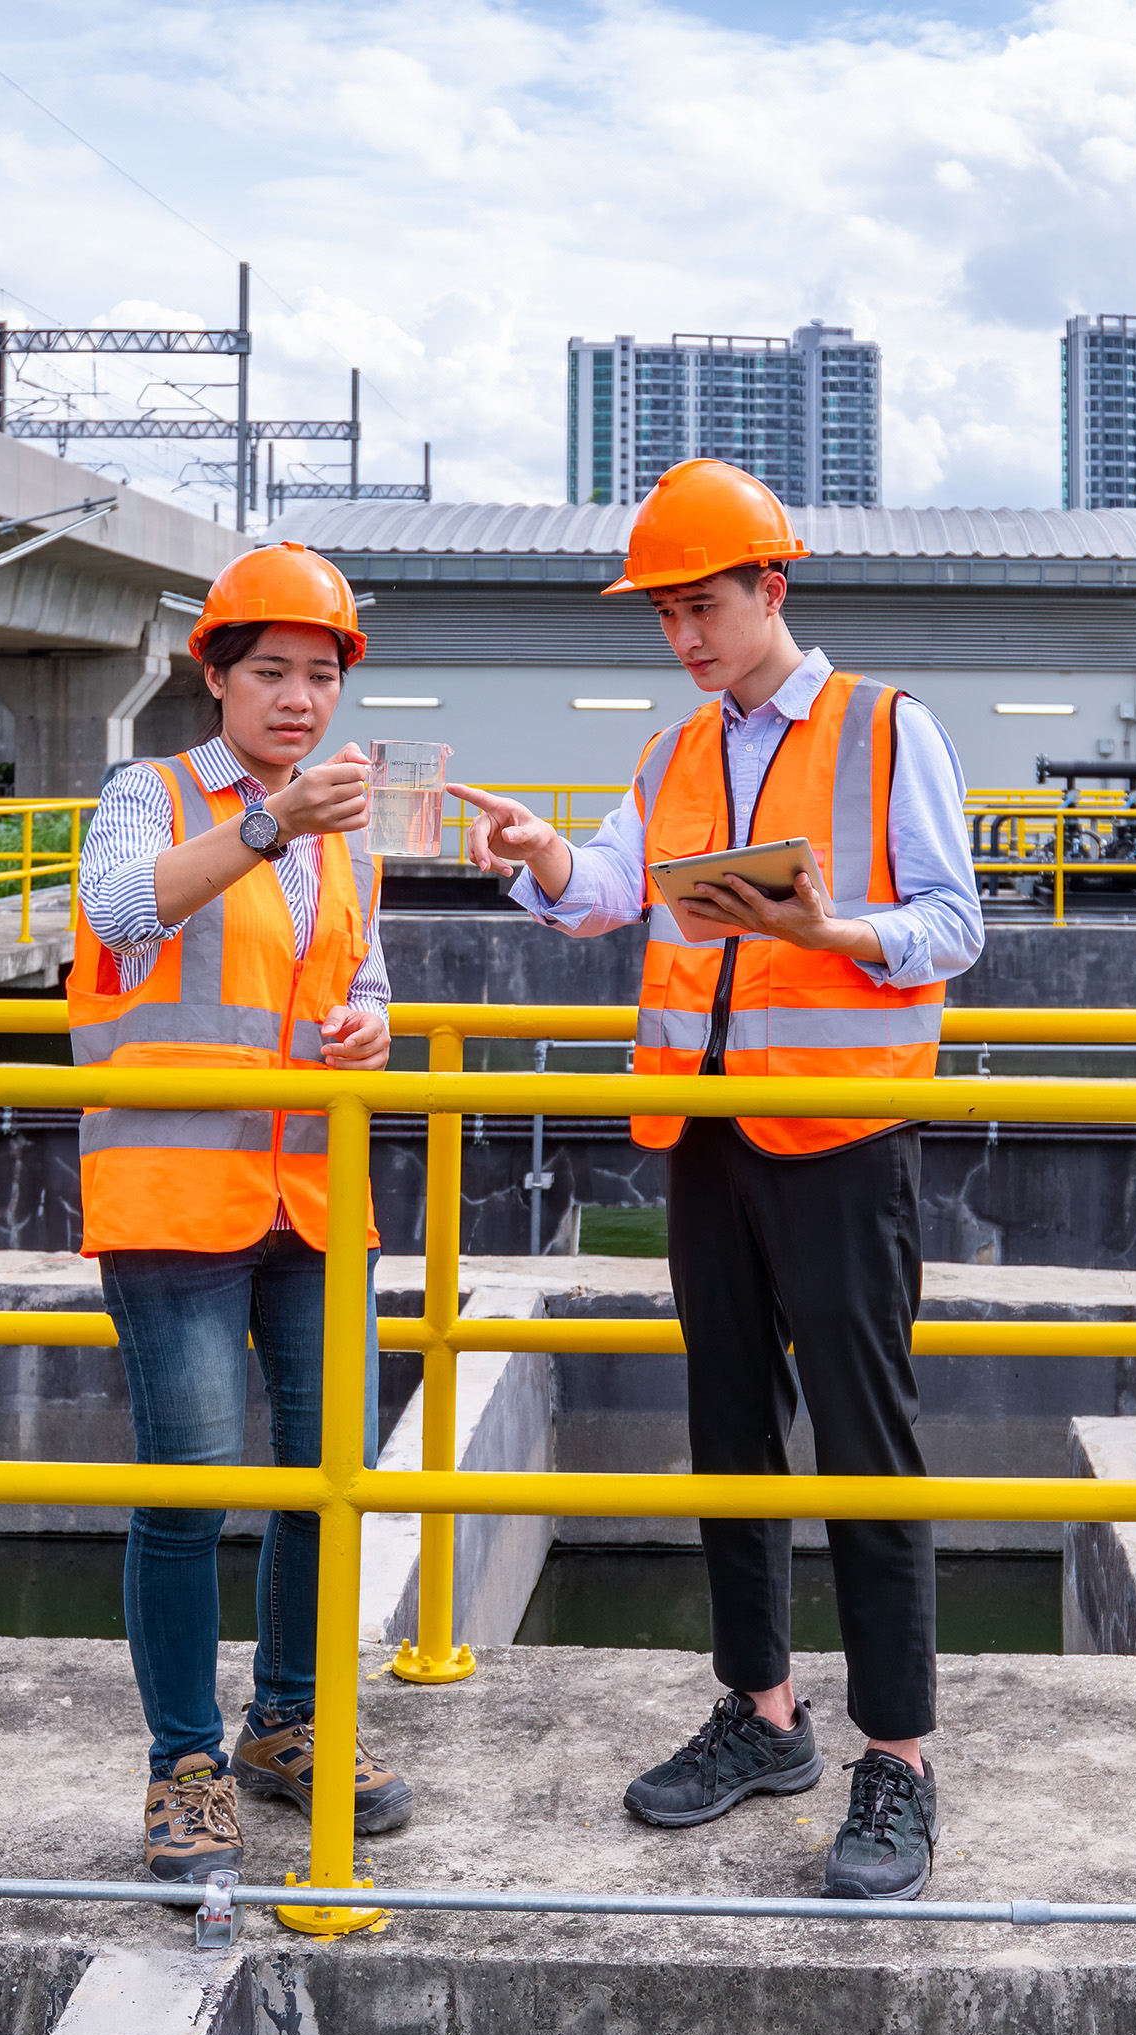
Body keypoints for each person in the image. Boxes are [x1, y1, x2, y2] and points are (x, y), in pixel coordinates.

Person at [449, 460, 983, 1902]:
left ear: (772, 589)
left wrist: (832, 933)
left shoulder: (887, 728)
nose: (684, 635)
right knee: (729, 1433)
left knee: (868, 1446)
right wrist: (540, 854)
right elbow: (610, 893)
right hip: (707, 1133)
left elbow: (954, 926)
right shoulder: (677, 751)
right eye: (665, 614)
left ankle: (898, 1758)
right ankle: (762, 1714)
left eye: (705, 606)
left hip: (846, 1139)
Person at [71, 542, 415, 1901]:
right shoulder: (150, 795)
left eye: (320, 675)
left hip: (315, 1196)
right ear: (213, 676)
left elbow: (359, 975)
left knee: (332, 1475)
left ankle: (289, 1721)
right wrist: (270, 824)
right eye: (271, 671)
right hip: (177, 1196)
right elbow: (116, 911)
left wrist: (371, 1027)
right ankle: (185, 1763)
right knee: (191, 1484)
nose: (298, 698)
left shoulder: (347, 826)